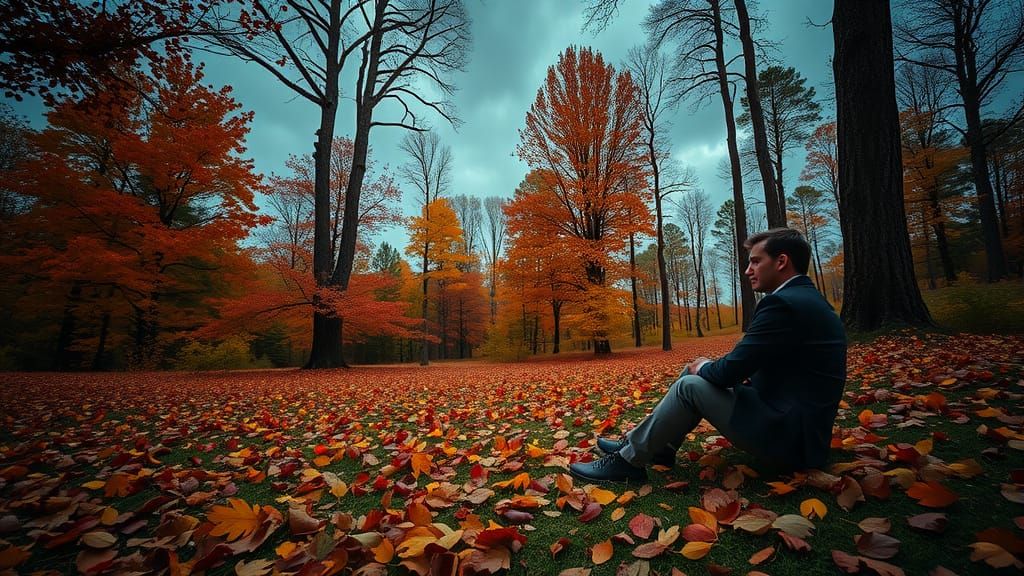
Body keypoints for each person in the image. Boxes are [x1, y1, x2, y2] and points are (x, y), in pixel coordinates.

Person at [569, 228, 847, 482]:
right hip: (793, 423)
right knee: (692, 371)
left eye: (755, 261)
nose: (748, 270)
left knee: (690, 384)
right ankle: (655, 446)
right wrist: (704, 366)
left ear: (782, 261)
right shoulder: (805, 299)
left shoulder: (783, 304)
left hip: (788, 438)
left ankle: (628, 461)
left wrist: (704, 367)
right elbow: (765, 364)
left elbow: (730, 371)